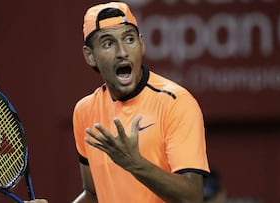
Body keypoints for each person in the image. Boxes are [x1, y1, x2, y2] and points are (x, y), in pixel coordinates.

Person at [31, 1, 209, 203]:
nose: (122, 51)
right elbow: (93, 193)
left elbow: (192, 197)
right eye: (108, 43)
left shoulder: (176, 102)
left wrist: (135, 164)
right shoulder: (85, 111)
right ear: (90, 56)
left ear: (141, 44)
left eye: (129, 39)